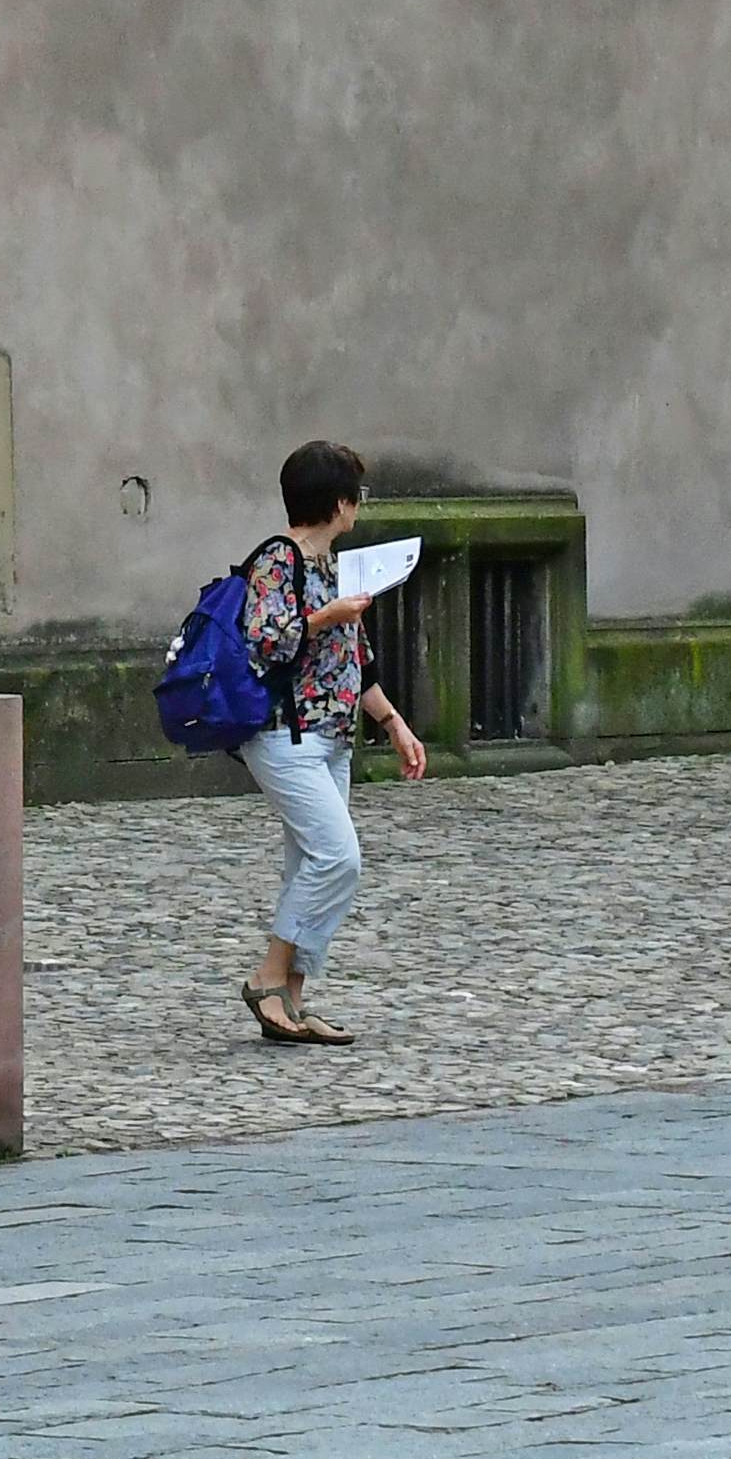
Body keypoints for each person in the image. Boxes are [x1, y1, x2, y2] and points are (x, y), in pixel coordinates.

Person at [235, 438, 425, 1046]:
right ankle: (267, 978)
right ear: (339, 502)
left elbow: (354, 664)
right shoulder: (278, 560)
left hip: (332, 736)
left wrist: (393, 722)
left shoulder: (332, 569)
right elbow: (265, 641)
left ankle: (292, 997)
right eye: (356, 496)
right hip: (282, 735)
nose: (358, 508)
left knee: (308, 865)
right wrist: (327, 617)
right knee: (338, 857)